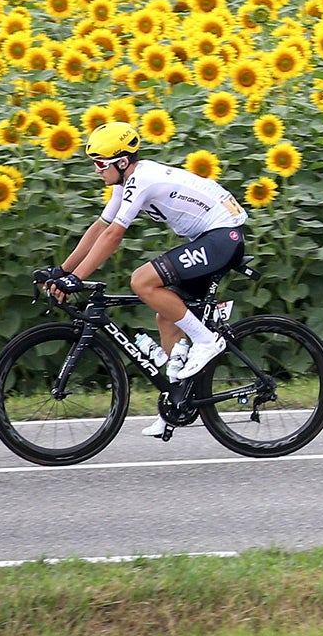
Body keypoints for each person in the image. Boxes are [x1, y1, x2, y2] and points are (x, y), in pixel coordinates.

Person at [42, 122, 248, 437]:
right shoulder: (125, 184)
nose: (96, 169)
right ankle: (176, 402)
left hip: (223, 235)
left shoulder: (143, 180)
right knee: (166, 315)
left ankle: (207, 341)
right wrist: (64, 271)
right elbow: (100, 227)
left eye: (100, 163)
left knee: (142, 281)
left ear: (122, 162)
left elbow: (113, 236)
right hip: (210, 236)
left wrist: (76, 279)